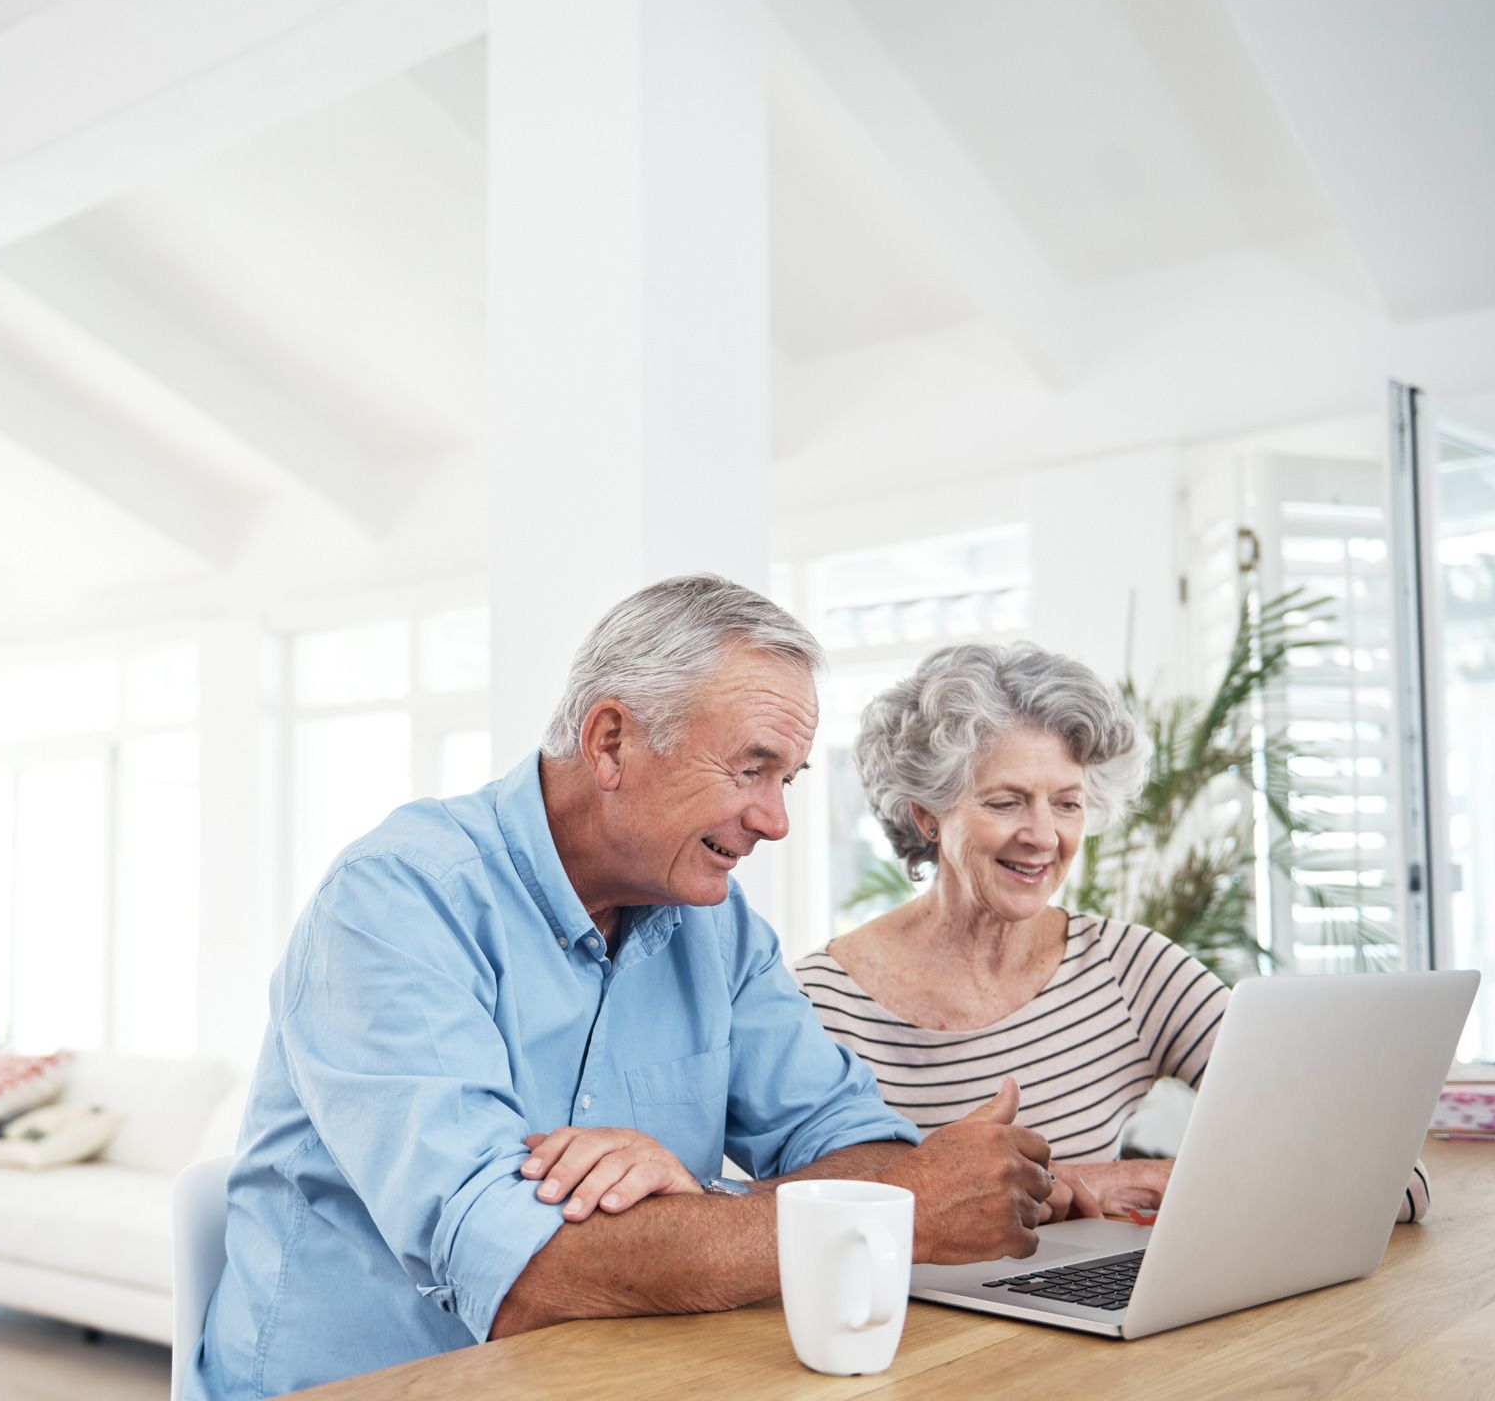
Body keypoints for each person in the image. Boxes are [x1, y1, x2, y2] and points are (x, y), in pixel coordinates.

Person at [188, 576, 1059, 1400]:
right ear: (611, 742)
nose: (776, 820)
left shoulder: (713, 921)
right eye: (751, 768)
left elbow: (857, 1146)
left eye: (785, 780)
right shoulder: (396, 900)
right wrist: (899, 1207)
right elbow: (526, 1272)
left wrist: (713, 1198)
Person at [794, 640, 1430, 1223]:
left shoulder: (1129, 968)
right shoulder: (821, 999)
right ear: (925, 815)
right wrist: (1072, 1184)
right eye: (1006, 801)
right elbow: (801, 1221)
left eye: (1067, 803)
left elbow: (1384, 1177)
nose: (1044, 836)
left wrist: (1146, 1179)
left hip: (1096, 1328)